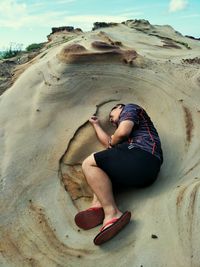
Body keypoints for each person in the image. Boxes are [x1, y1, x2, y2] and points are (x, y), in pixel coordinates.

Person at [74, 103, 163, 245]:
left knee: (88, 163)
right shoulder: (126, 143)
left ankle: (111, 212)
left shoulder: (130, 108)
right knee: (101, 169)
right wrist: (96, 125)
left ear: (120, 107)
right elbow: (110, 144)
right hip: (144, 173)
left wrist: (115, 138)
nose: (111, 120)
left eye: (111, 116)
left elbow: (121, 133)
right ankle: (98, 204)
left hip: (143, 156)